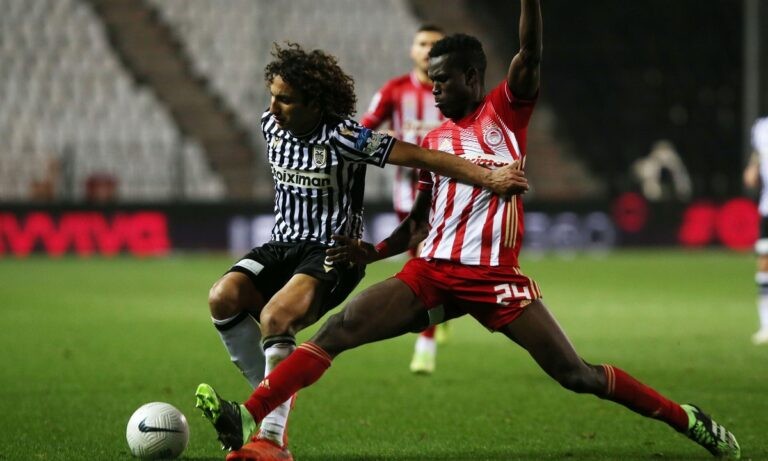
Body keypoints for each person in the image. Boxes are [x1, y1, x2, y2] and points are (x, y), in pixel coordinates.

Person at [196, 2, 741, 459]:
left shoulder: (506, 114)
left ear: (473, 79)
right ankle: (250, 417)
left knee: (577, 375)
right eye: (431, 80)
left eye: (443, 80)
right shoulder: (436, 142)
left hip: (493, 279)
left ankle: (686, 418)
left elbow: (530, 54)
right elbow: (419, 222)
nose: (433, 89)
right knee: (339, 329)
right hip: (431, 272)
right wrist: (373, 252)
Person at [198, 41, 528, 461]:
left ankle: (273, 437)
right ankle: (268, 399)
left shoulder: (346, 136)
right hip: (281, 245)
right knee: (222, 296)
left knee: (276, 318)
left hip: (333, 253)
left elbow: (426, 157)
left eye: (286, 99)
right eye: (273, 96)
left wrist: (489, 178)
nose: (274, 107)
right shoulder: (271, 124)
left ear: (315, 103)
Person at [360, 24, 449, 375]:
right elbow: (362, 132)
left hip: (451, 189)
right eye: (422, 43)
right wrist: (387, 139)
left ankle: (428, 338)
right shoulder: (394, 90)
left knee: (433, 259)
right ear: (412, 50)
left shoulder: (456, 90)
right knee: (424, 258)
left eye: (435, 45)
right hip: (410, 192)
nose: (428, 50)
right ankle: (431, 329)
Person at [743, 116, 768, 345]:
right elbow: (759, 152)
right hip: (767, 207)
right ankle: (766, 325)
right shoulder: (762, 127)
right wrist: (753, 167)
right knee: (765, 263)